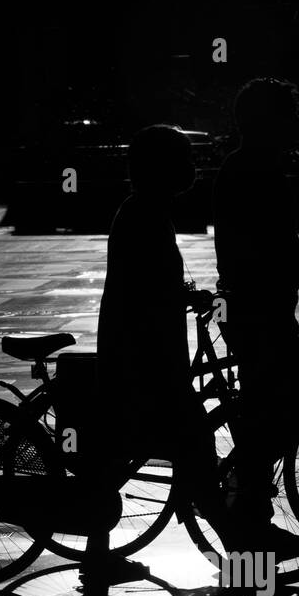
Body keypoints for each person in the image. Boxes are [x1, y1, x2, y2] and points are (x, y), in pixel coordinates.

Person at [95, 124, 226, 539]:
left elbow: (151, 283)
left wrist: (186, 295)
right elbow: (146, 290)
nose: (192, 167)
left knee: (137, 450)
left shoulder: (146, 210)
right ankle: (240, 542)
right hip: (146, 360)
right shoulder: (144, 215)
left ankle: (230, 529)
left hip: (145, 356)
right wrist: (183, 298)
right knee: (196, 442)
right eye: (183, 159)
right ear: (162, 167)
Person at [212, 78, 299, 555]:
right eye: (289, 114)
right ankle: (246, 504)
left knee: (275, 407)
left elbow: (281, 238)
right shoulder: (252, 170)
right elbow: (271, 241)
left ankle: (247, 498)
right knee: (281, 406)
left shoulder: (256, 166)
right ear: (268, 121)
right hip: (256, 310)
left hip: (261, 307)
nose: (298, 123)